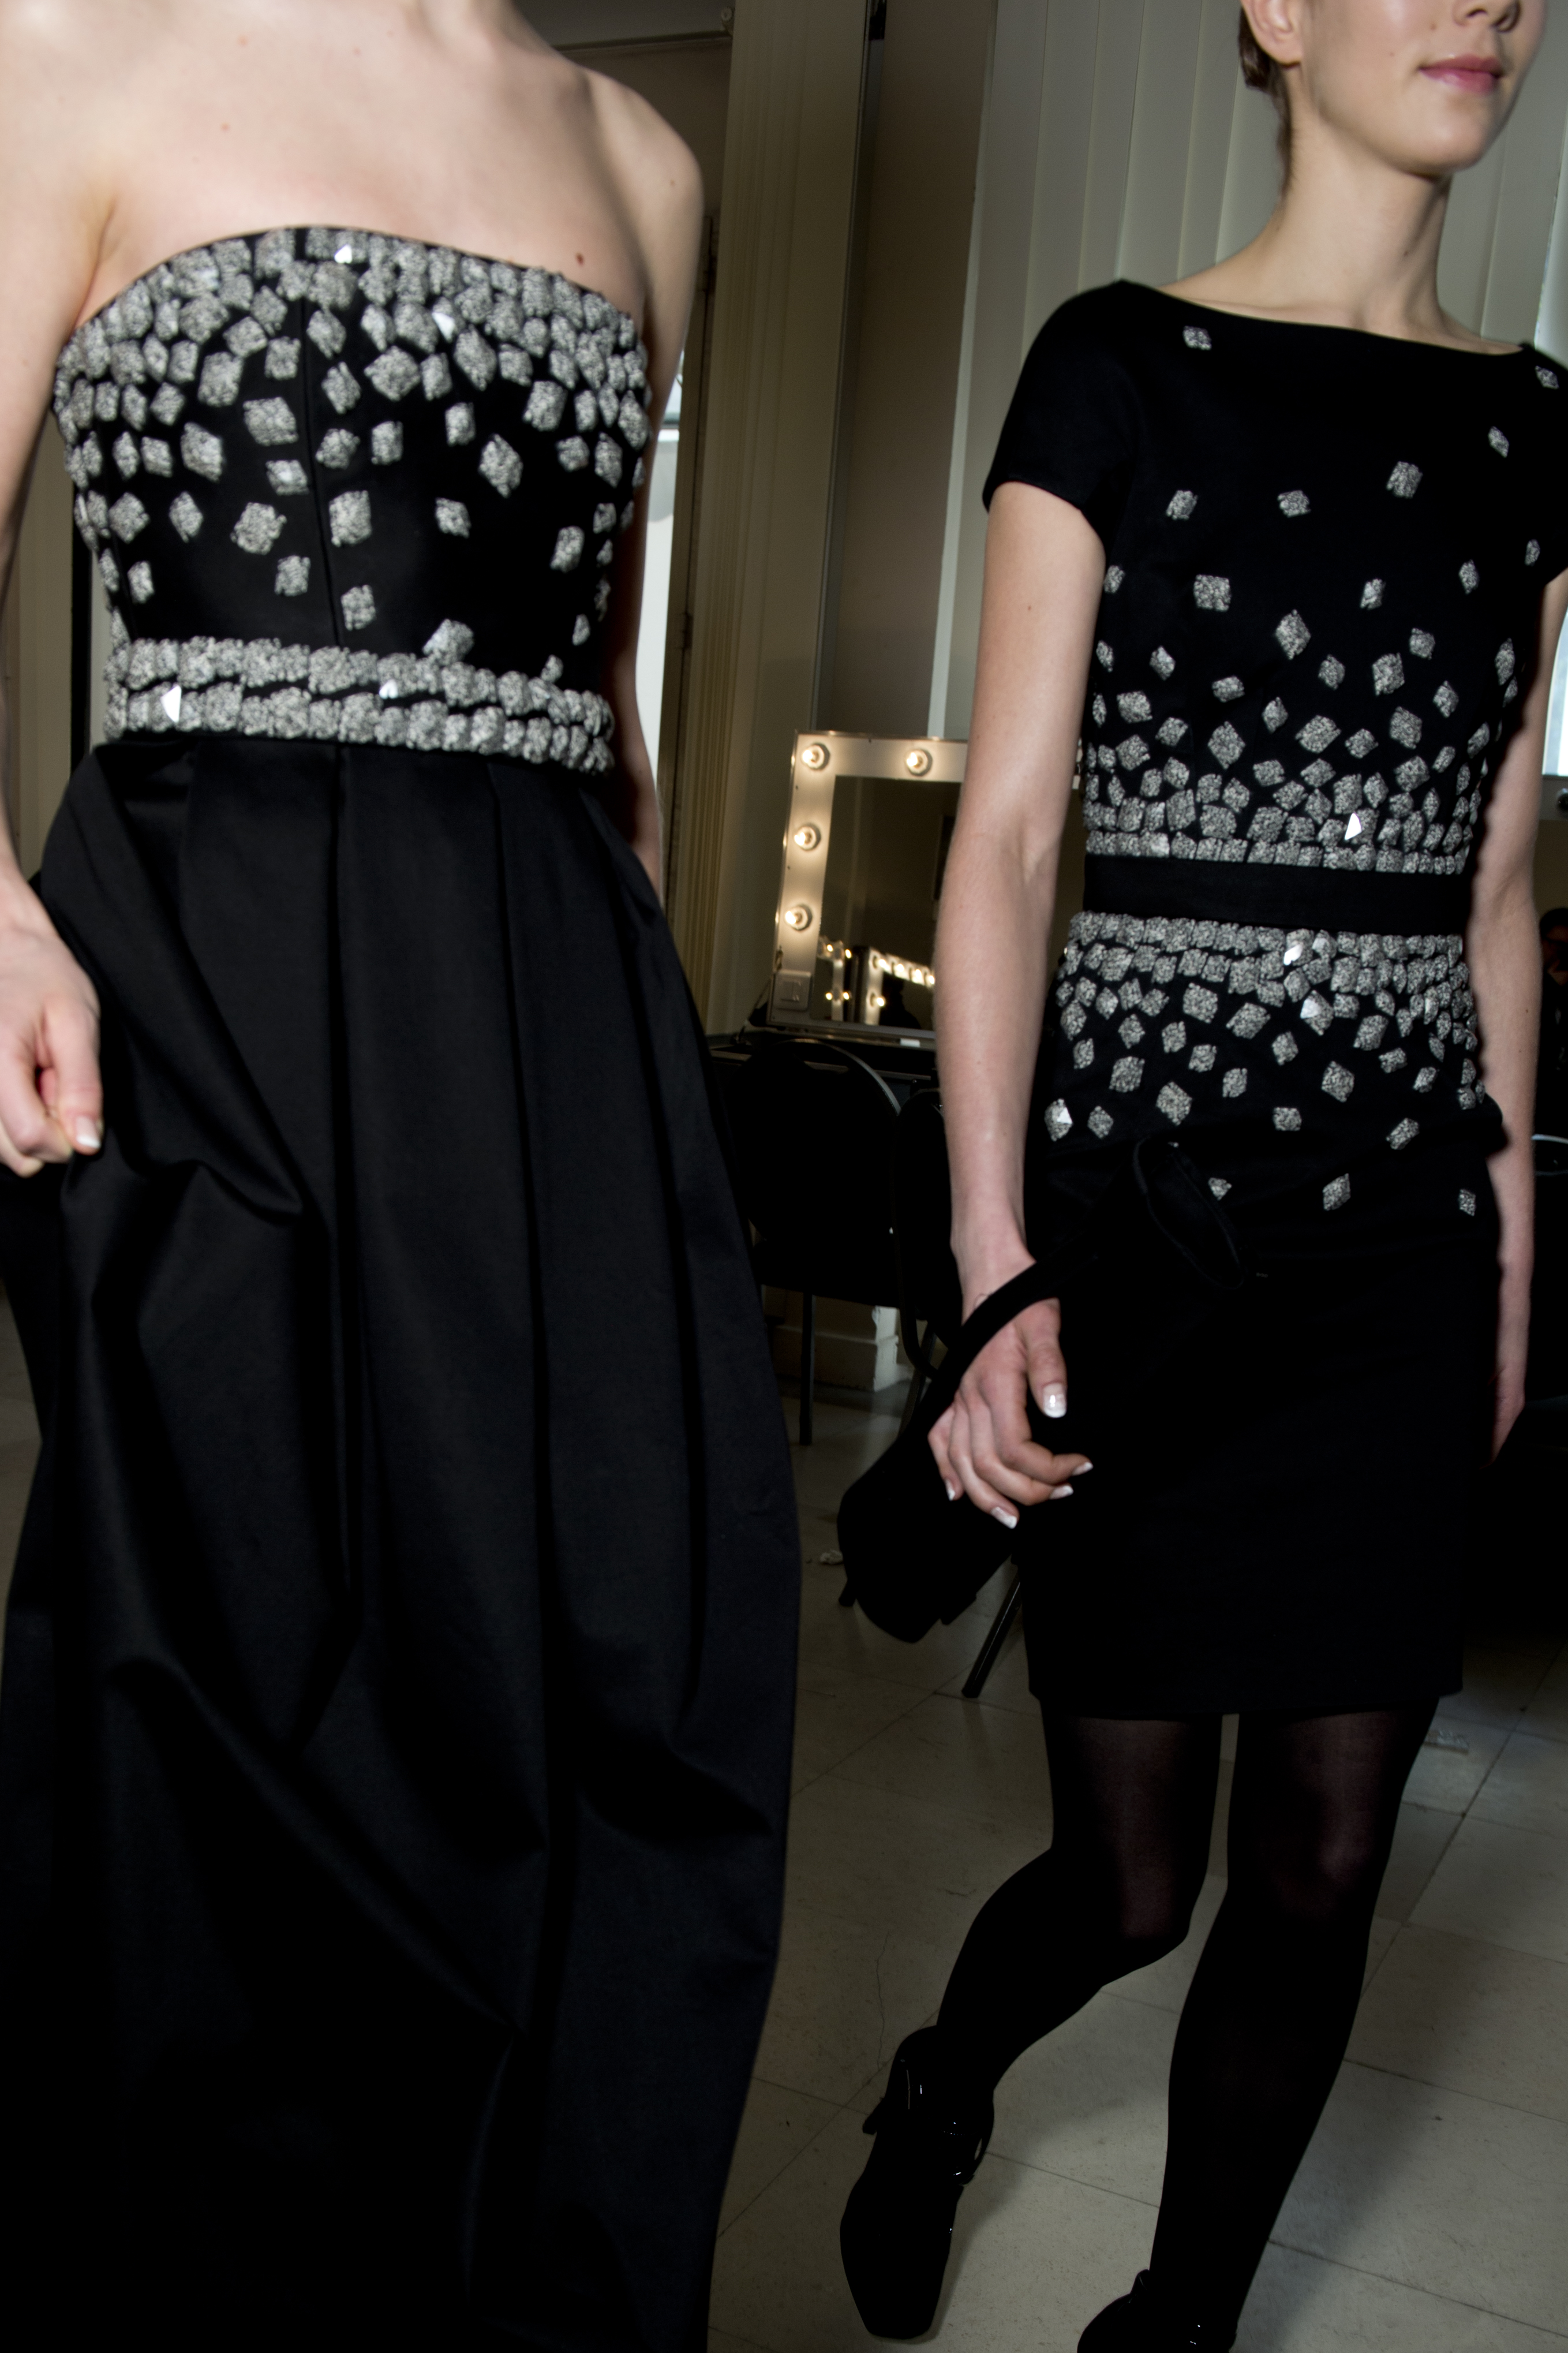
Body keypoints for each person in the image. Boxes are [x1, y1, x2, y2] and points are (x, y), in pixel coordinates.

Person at [0, 4, 799, 2344]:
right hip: (208, 997)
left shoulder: (642, 159)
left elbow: (603, 706)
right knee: (245, 1717)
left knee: (619, 1672)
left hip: (549, 1014)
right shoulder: (72, 58)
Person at [839, 4, 1563, 2348]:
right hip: (1143, 1238)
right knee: (1133, 1878)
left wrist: (1510, 1262)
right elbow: (1004, 842)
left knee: (1324, 1860)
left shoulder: (1534, 427)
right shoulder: (1110, 366)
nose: (1482, 9)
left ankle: (1176, 2321)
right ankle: (940, 2081)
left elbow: (1495, 881)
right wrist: (991, 1270)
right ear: (1270, 12)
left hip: (1400, 1253)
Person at [1539, 904, 1568, 1132]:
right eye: (1556, 945)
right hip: (1538, 1102)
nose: (1561, 954)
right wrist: (1549, 987)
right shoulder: (1526, 985)